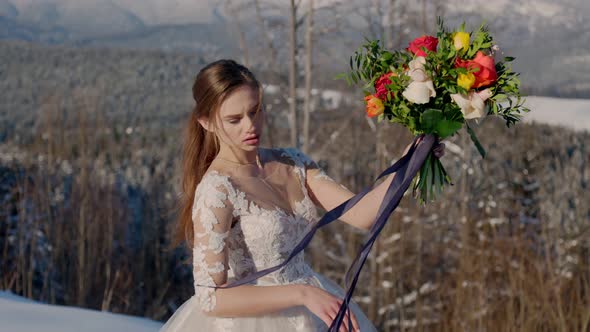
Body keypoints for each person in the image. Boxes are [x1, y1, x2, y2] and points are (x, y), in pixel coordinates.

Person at [160, 59, 445, 332]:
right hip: (254, 320)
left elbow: (362, 214)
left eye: (256, 110)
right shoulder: (217, 190)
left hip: (310, 314)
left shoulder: (293, 163)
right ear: (207, 122)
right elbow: (211, 298)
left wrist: (410, 163)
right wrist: (301, 294)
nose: (251, 125)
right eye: (234, 119)